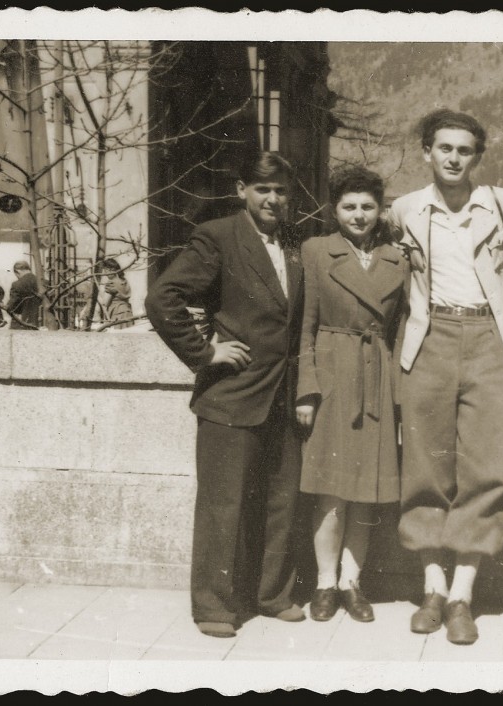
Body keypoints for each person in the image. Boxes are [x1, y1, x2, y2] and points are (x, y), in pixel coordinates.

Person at [390, 109, 503, 645]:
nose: (454, 158)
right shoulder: (405, 210)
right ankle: (432, 585)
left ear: (478, 156)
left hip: (488, 340)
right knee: (425, 461)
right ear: (426, 151)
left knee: (487, 464)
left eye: (465, 150)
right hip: (428, 339)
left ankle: (462, 596)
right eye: (444, 148)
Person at [145, 152, 306, 638]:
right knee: (223, 505)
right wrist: (203, 352)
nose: (272, 199)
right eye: (262, 189)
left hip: (284, 396)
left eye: (280, 190)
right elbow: (161, 297)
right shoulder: (218, 236)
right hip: (231, 396)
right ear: (242, 191)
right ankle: (213, 607)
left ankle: (272, 595)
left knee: (281, 502)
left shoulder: (296, 241)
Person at [295, 166, 409, 624]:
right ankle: (324, 583)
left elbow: (399, 330)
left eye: (367, 206)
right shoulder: (317, 251)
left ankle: (351, 582)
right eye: (349, 206)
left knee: (367, 491)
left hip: (376, 375)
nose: (359, 215)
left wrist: (398, 395)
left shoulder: (396, 258)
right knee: (331, 491)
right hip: (333, 372)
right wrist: (307, 388)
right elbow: (304, 325)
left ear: (380, 210)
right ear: (334, 209)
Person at [96, 257, 135, 330]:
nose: (105, 274)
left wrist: (96, 296)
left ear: (111, 270)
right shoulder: (124, 281)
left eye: (106, 271)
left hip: (117, 314)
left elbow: (105, 303)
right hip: (128, 313)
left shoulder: (112, 283)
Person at [7, 260, 41, 329]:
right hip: (40, 324)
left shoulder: (16, 285)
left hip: (21, 324)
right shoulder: (41, 283)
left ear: (17, 272)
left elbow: (11, 307)